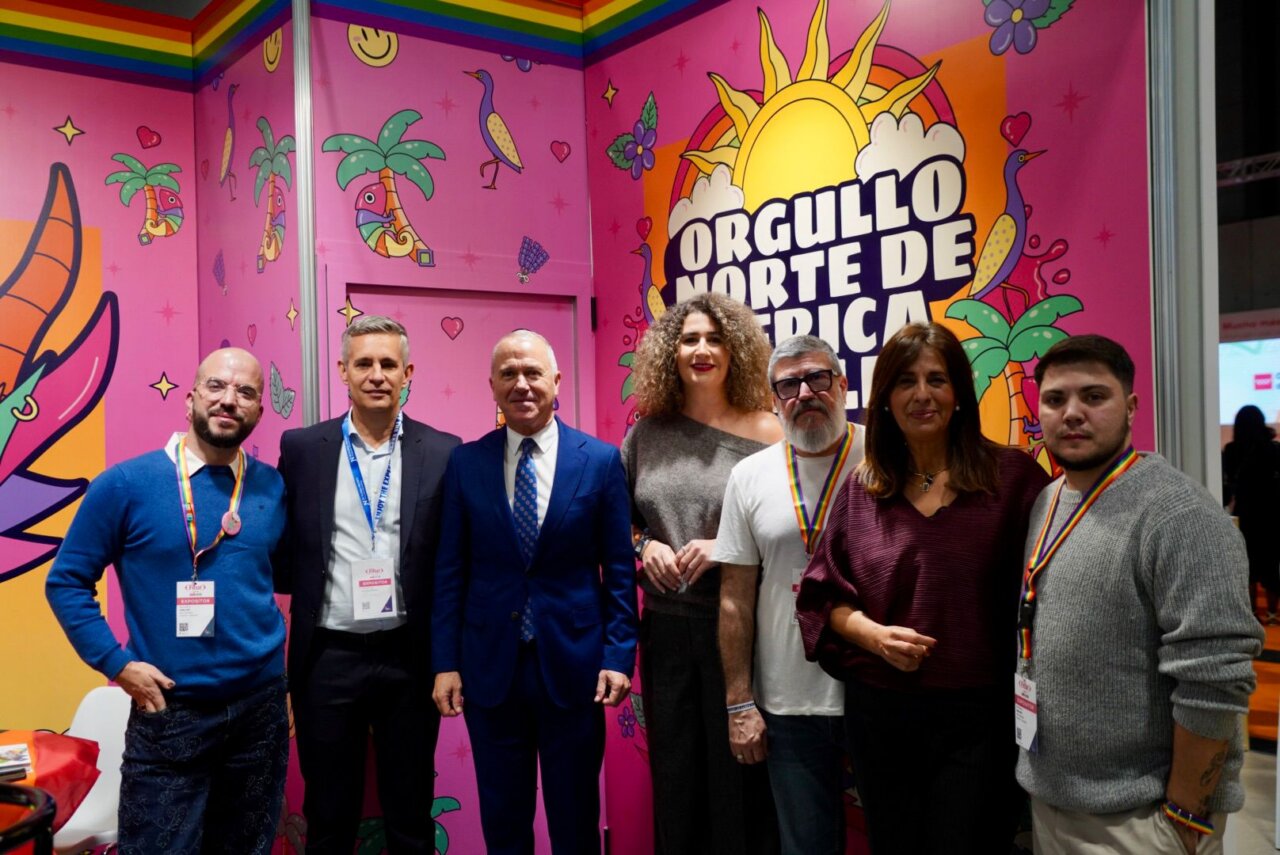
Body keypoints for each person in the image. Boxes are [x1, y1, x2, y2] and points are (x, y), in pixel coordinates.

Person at [796, 321, 1049, 855]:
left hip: (981, 719)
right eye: (906, 381)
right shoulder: (864, 488)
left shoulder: (1014, 480)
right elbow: (821, 597)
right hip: (880, 716)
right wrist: (873, 636)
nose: (922, 395)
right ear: (886, 399)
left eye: (937, 379)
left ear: (959, 394)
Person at [1015, 335, 1263, 854]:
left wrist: (1183, 815)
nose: (1072, 412)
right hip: (1053, 801)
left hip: (1142, 818)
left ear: (1130, 407)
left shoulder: (1178, 513)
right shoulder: (1048, 500)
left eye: (1094, 396)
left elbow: (1215, 678)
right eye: (1056, 399)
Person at [47, 347, 288, 854]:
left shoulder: (271, 486)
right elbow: (66, 581)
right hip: (170, 711)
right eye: (216, 386)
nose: (229, 400)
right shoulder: (124, 485)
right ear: (190, 398)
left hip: (259, 709)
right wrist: (116, 664)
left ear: (259, 411)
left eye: (245, 392)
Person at [431, 329, 636, 854]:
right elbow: (450, 570)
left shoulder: (600, 461)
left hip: (575, 667)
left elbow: (618, 569)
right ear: (492, 386)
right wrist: (445, 662)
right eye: (508, 374)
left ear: (556, 381)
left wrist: (618, 656)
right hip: (489, 670)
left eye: (533, 373)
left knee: (575, 821)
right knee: (503, 822)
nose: (521, 384)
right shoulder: (466, 463)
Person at [274, 315, 460, 854]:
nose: (376, 374)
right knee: (329, 814)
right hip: (327, 657)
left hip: (409, 657)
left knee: (410, 811)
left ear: (407, 373)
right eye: (364, 364)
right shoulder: (303, 449)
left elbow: (450, 565)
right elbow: (284, 550)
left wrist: (448, 659)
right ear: (343, 371)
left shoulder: (444, 451)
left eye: (387, 364)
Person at [622, 292, 783, 854]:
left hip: (740, 630)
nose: (702, 350)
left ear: (735, 349)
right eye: (689, 339)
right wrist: (644, 546)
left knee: (740, 784)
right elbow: (619, 521)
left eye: (714, 339)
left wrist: (727, 545)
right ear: (672, 351)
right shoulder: (646, 434)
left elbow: (794, 533)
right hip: (664, 630)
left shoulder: (770, 432)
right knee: (676, 781)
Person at [714, 335, 864, 855]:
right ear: (774, 400)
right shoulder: (748, 476)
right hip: (786, 703)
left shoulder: (884, 457)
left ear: (842, 385)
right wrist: (739, 703)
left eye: (817, 378)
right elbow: (734, 597)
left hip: (875, 690)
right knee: (805, 847)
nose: (805, 393)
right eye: (789, 385)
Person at [1222, 404, 1280, 622]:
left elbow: (1228, 483)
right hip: (1271, 514)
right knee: (1272, 563)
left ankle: (1252, 612)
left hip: (1244, 514)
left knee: (1247, 565)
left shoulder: (1231, 450)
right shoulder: (1274, 449)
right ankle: (1273, 612)